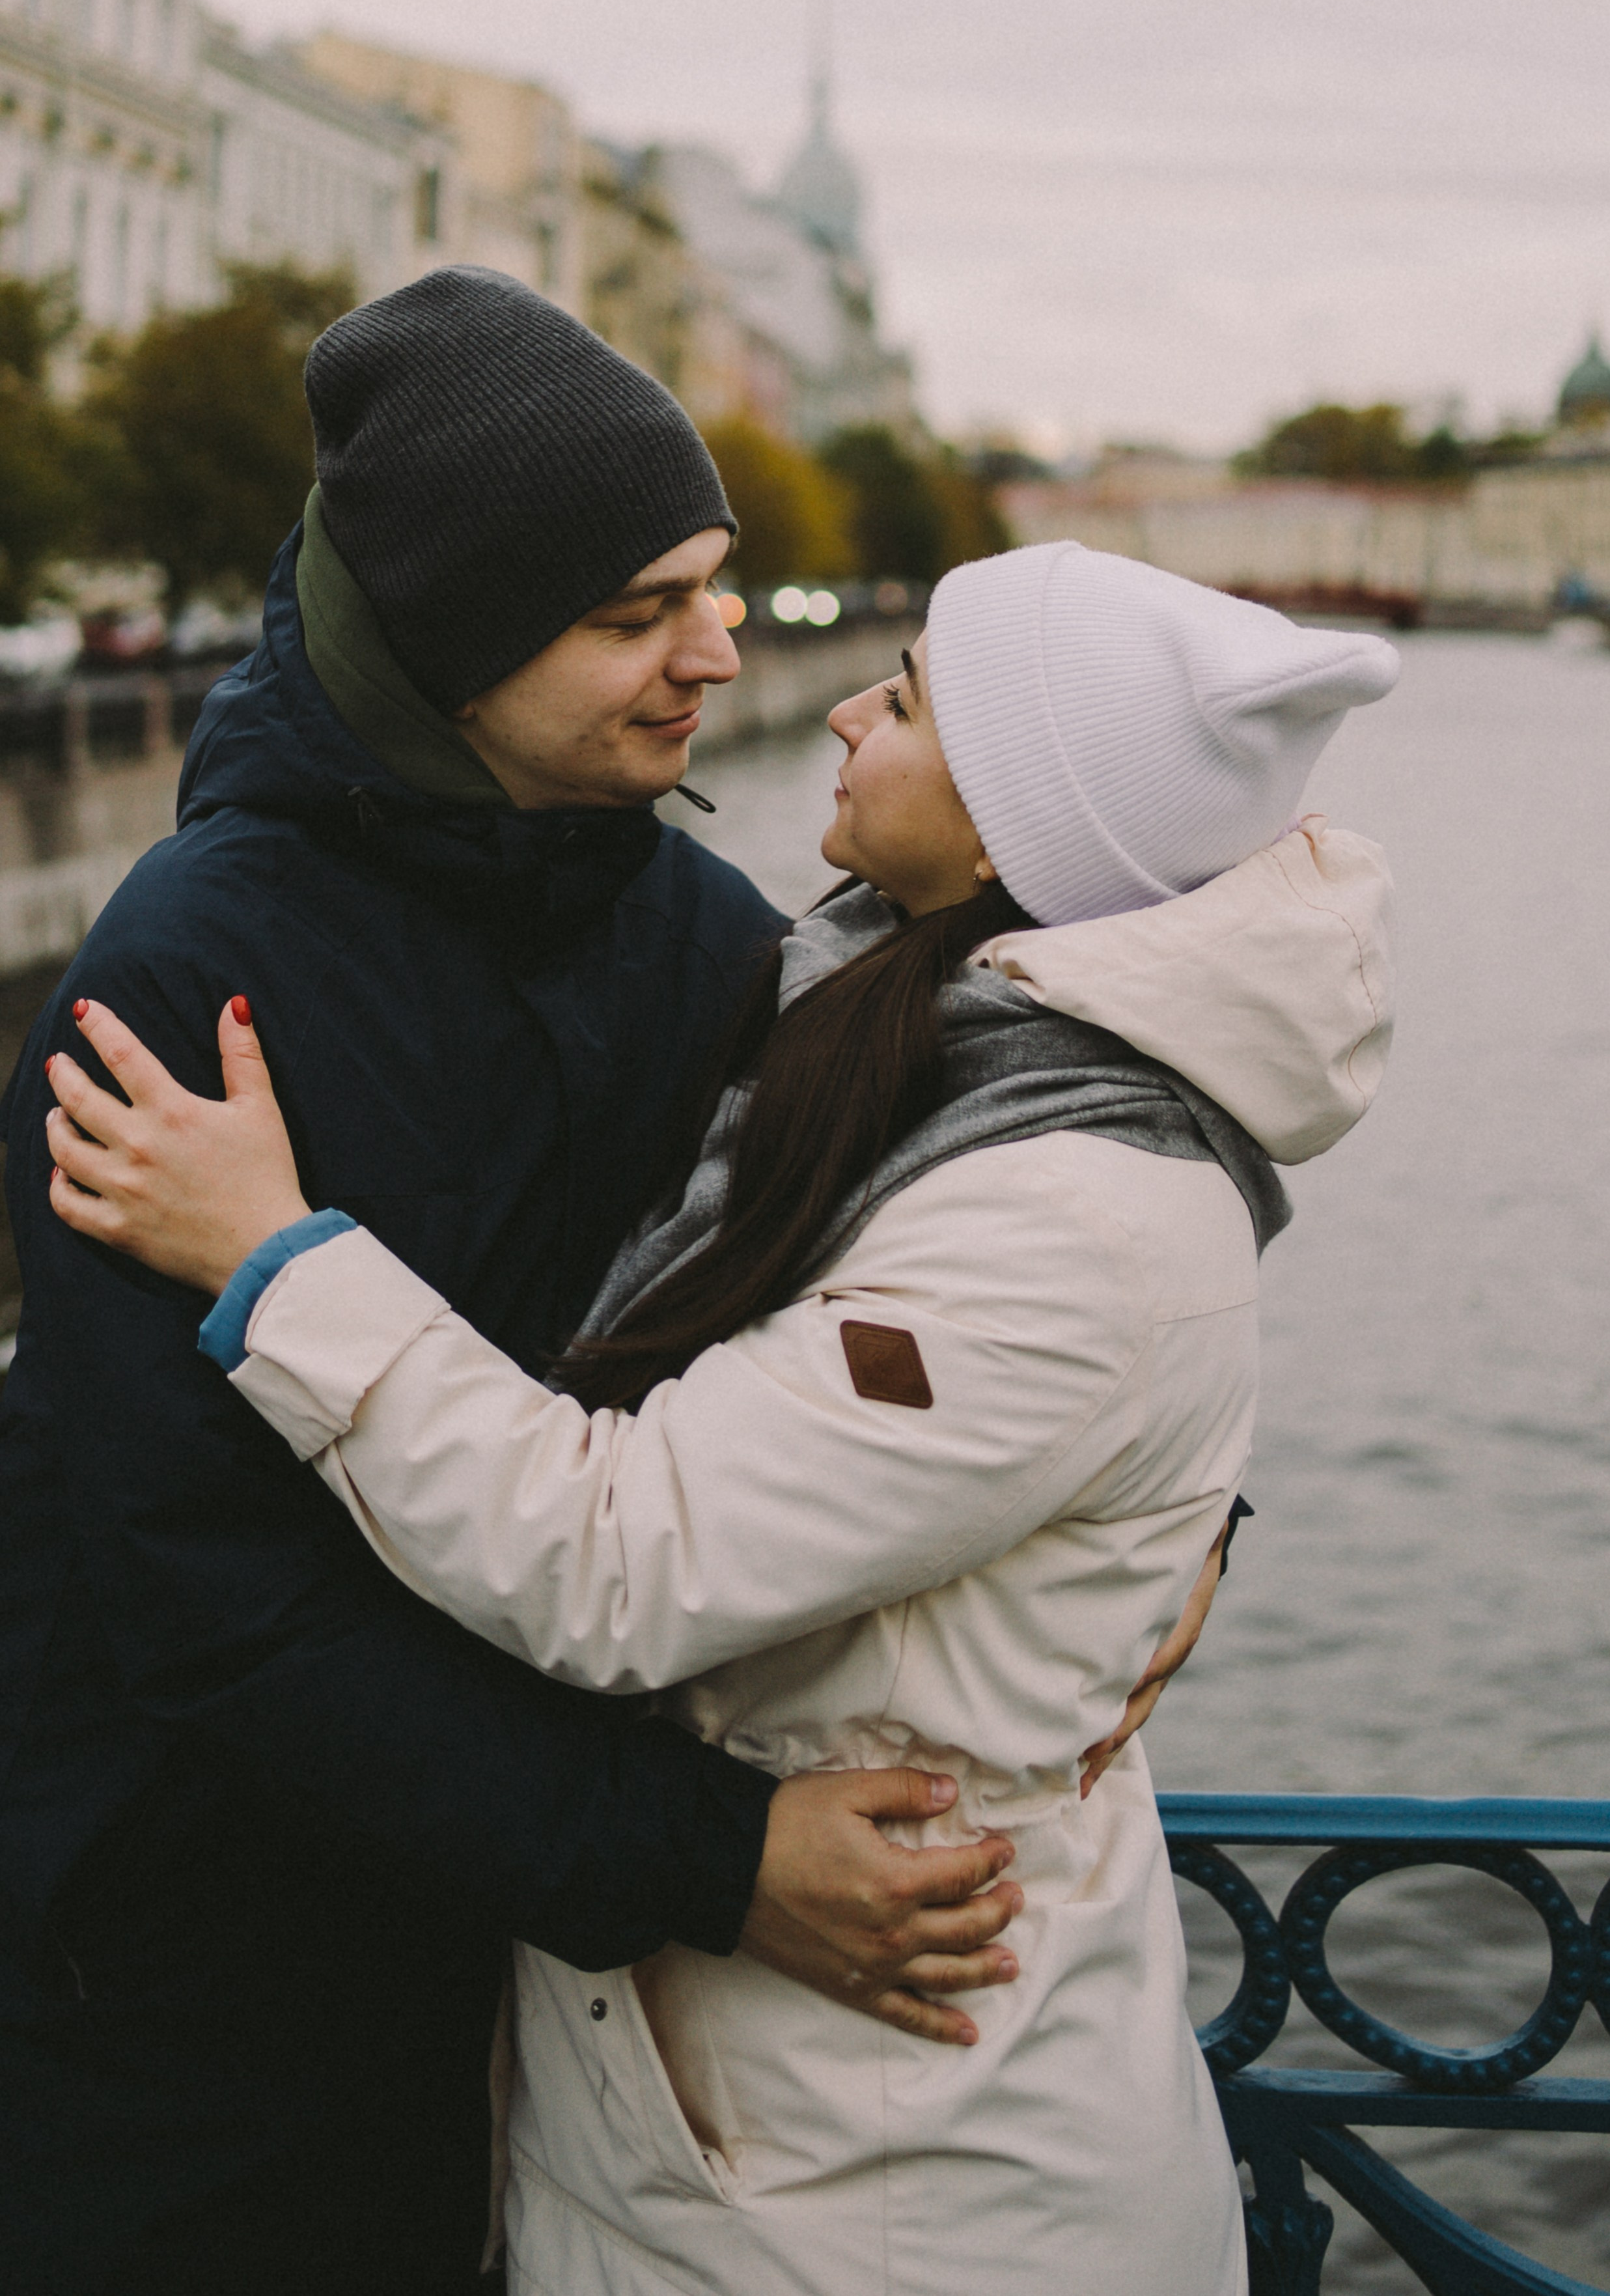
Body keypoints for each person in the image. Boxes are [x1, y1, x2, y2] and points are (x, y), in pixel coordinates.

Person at [46, 539, 1398, 2294]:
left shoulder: (1039, 1177)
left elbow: (621, 1556)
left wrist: (277, 1259)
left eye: (902, 700)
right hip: (734, 2101)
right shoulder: (869, 1004)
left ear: (1010, 834)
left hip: (876, 2162)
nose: (811, 691)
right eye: (633, 609)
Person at [0, 269, 1024, 2296]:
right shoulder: (186, 973)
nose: (721, 649)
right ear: (453, 649)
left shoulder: (703, 925)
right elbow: (198, 1588)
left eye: (714, 586)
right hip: (185, 1959)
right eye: (637, 612)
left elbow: (942, 1281)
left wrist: (1157, 1513)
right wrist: (702, 1863)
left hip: (522, 1931)